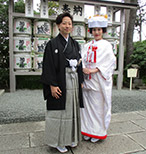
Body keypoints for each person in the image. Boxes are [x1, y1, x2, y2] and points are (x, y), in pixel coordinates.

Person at [41, 12, 84, 153]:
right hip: (60, 81)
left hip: (74, 81)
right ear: (58, 25)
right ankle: (59, 141)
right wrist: (52, 85)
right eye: (64, 23)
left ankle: (71, 138)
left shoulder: (75, 44)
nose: (67, 26)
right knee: (60, 112)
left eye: (69, 23)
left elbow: (80, 64)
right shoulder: (52, 44)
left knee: (72, 111)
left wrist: (81, 80)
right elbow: (48, 66)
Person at [80, 15, 116, 143]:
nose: (96, 32)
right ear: (91, 31)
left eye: (99, 30)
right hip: (87, 79)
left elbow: (110, 62)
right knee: (86, 107)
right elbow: (82, 59)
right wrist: (83, 68)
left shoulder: (106, 45)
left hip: (99, 80)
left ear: (103, 31)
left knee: (98, 107)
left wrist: (95, 70)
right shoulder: (87, 45)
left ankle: (97, 131)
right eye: (94, 30)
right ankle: (87, 130)